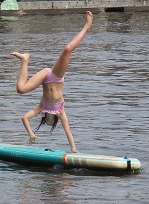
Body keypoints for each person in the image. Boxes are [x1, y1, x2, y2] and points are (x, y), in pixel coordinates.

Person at [10, 11, 93, 153]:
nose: (48, 120)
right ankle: (87, 26)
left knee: (20, 89)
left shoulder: (42, 108)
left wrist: (31, 134)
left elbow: (24, 118)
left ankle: (25, 59)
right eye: (50, 122)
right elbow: (68, 130)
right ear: (54, 120)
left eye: (46, 121)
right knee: (67, 49)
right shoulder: (60, 111)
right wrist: (73, 149)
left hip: (45, 77)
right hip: (55, 76)